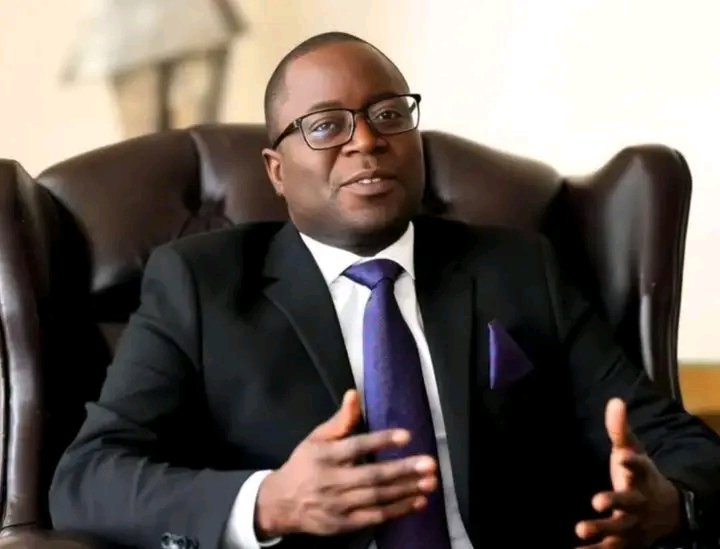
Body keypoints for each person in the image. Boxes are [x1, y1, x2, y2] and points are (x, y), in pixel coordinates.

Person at [49, 32, 720, 549]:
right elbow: (87, 478)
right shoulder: (201, 284)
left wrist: (672, 504)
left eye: (389, 113)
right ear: (277, 170)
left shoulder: (518, 267)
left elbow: (679, 444)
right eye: (326, 125)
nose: (367, 140)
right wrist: (269, 501)